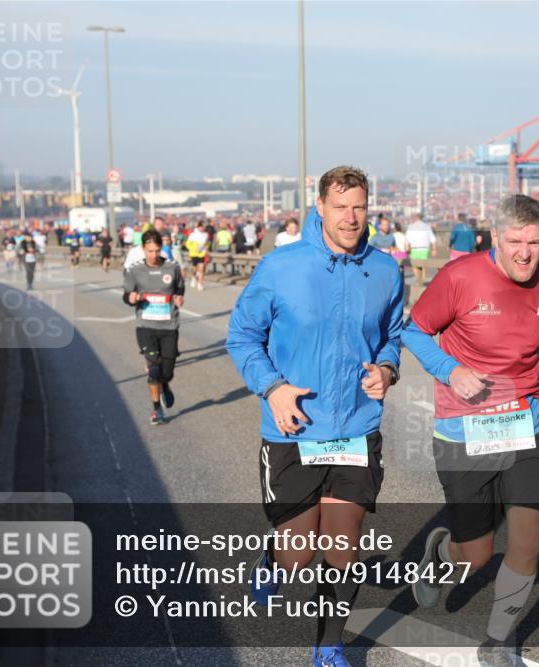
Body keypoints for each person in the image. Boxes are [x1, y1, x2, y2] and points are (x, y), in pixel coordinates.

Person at [226, 166, 403, 667]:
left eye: (359, 206)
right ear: (319, 208)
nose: (351, 217)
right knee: (300, 552)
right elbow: (242, 337)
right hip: (294, 430)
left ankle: (328, 647)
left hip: (356, 429)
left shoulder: (385, 269)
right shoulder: (282, 267)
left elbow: (391, 333)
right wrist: (273, 388)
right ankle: (274, 561)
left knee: (343, 550)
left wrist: (387, 369)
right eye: (340, 206)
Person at [403, 194, 539, 666]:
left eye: (535, 242)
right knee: (477, 555)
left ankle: (499, 641)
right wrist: (450, 371)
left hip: (527, 424)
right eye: (515, 241)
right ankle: (442, 554)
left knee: (529, 539)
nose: (526, 252)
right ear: (495, 239)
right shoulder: (460, 277)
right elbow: (413, 331)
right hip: (464, 433)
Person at [123, 229, 186, 425]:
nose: (153, 255)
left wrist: (179, 295)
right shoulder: (134, 269)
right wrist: (131, 298)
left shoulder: (172, 267)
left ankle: (165, 384)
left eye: (157, 250)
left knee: (167, 371)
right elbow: (127, 295)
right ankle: (157, 410)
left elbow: (179, 287)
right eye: (149, 251)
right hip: (145, 326)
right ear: (143, 249)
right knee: (153, 369)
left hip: (169, 326)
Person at [406, 214, 437, 284]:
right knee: (423, 265)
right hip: (425, 249)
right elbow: (433, 239)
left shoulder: (411, 227)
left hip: (414, 249)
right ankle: (422, 281)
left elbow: (407, 240)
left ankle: (418, 278)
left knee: (414, 265)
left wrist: (407, 249)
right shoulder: (427, 227)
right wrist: (434, 249)